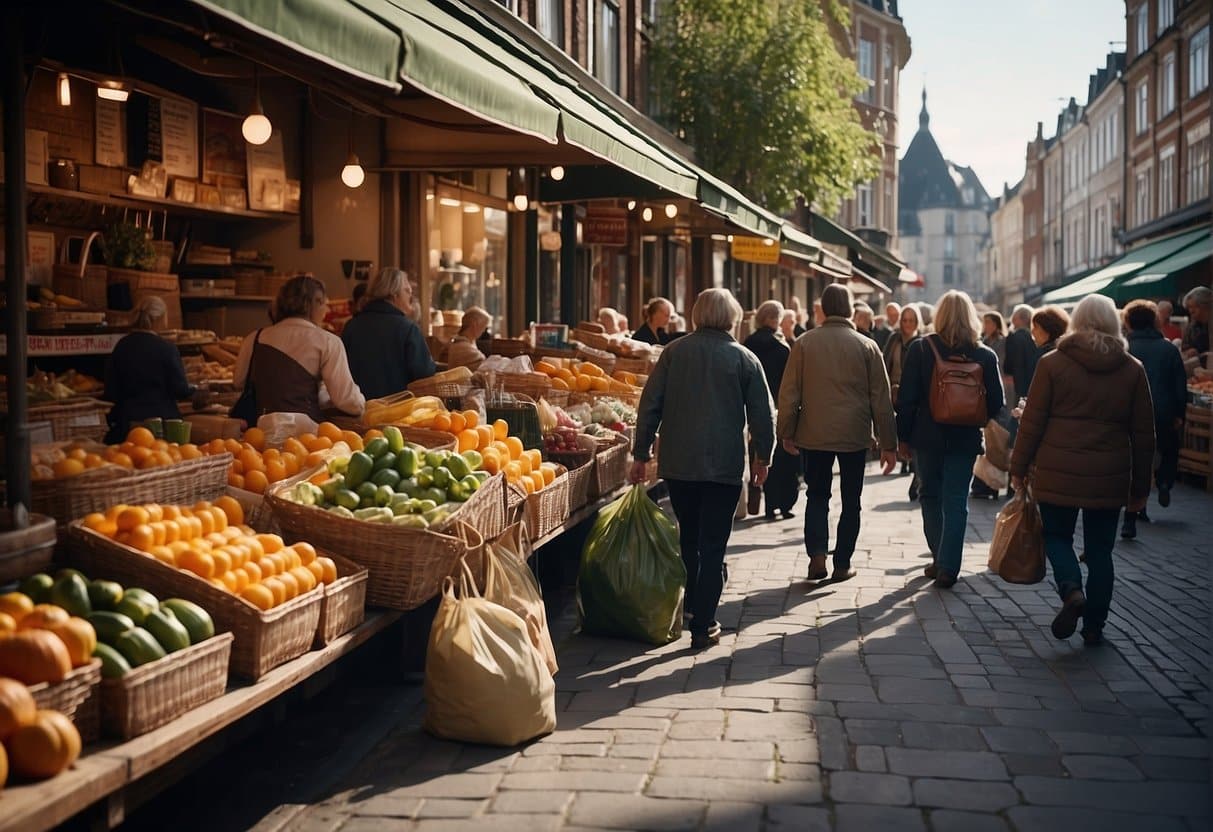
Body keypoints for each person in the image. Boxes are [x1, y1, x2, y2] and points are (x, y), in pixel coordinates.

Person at [630, 288, 775, 649]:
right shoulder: (744, 359)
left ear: (696, 314)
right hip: (724, 466)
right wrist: (763, 458)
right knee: (713, 546)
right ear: (732, 317)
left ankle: (694, 606)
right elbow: (762, 416)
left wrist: (641, 452)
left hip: (680, 463)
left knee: (689, 539)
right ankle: (704, 622)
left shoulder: (674, 353)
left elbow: (650, 405)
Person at [1009, 294, 1153, 646]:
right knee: (1101, 551)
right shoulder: (1132, 369)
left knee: (1056, 536)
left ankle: (1071, 590)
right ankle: (1094, 625)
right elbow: (1144, 434)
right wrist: (1141, 486)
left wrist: (1018, 466)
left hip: (1058, 469)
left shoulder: (1053, 364)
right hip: (1109, 472)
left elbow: (1033, 423)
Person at [778, 283, 897, 583]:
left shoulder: (804, 343)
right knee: (851, 499)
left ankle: (817, 556)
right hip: (854, 434)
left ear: (824, 308)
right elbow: (881, 400)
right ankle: (842, 562)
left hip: (814, 432)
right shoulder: (867, 345)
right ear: (849, 309)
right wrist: (888, 443)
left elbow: (789, 394)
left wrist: (786, 431)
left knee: (817, 495)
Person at [895, 291, 1005, 588]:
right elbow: (996, 402)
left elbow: (906, 399)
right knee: (956, 500)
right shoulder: (984, 355)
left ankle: (938, 556)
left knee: (929, 494)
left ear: (939, 316)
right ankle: (948, 566)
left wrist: (902, 437)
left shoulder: (921, 349)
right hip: (965, 438)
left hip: (926, 436)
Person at [234, 275, 365, 422]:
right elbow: (347, 401)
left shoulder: (254, 338)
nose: (326, 310)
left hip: (256, 435)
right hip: (305, 437)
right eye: (324, 304)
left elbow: (238, 382)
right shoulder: (328, 342)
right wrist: (363, 404)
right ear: (315, 303)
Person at [1122, 300, 1187, 538]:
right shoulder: (1169, 349)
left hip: (1130, 414)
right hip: (1163, 410)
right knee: (1168, 451)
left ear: (1128, 322)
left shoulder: (1125, 349)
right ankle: (1164, 483)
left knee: (1137, 460)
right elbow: (1180, 385)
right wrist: (1180, 414)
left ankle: (1133, 514)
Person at [103, 296, 196, 442]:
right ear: (160, 319)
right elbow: (180, 390)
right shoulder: (167, 349)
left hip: (127, 425)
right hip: (163, 427)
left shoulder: (122, 346)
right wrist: (195, 390)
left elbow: (110, 391)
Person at [341, 269, 436, 400]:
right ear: (393, 294)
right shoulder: (408, 329)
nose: (411, 296)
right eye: (407, 291)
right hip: (396, 413)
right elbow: (425, 376)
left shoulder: (351, 326)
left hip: (357, 411)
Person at [743, 301, 799, 520]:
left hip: (751, 406)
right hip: (778, 406)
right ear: (775, 319)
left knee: (757, 452)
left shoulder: (748, 344)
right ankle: (783, 504)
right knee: (782, 458)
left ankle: (765, 502)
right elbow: (790, 382)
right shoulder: (782, 347)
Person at [883, 303, 921, 478]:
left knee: (912, 425)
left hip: (913, 391)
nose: (907, 324)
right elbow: (884, 363)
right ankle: (902, 458)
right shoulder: (894, 339)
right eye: (905, 320)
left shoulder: (922, 341)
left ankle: (913, 463)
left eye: (911, 320)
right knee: (896, 425)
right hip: (893, 388)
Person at [1003, 304, 1037, 406]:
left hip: (1017, 380)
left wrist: (1007, 372)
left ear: (1017, 318)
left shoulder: (1014, 336)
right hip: (1032, 379)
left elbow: (1009, 361)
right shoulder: (1034, 336)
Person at [1182, 286, 1210, 367]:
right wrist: (1189, 352)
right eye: (1189, 308)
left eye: (1195, 307)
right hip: (1196, 368)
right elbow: (1184, 348)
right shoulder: (1191, 327)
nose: (1191, 311)